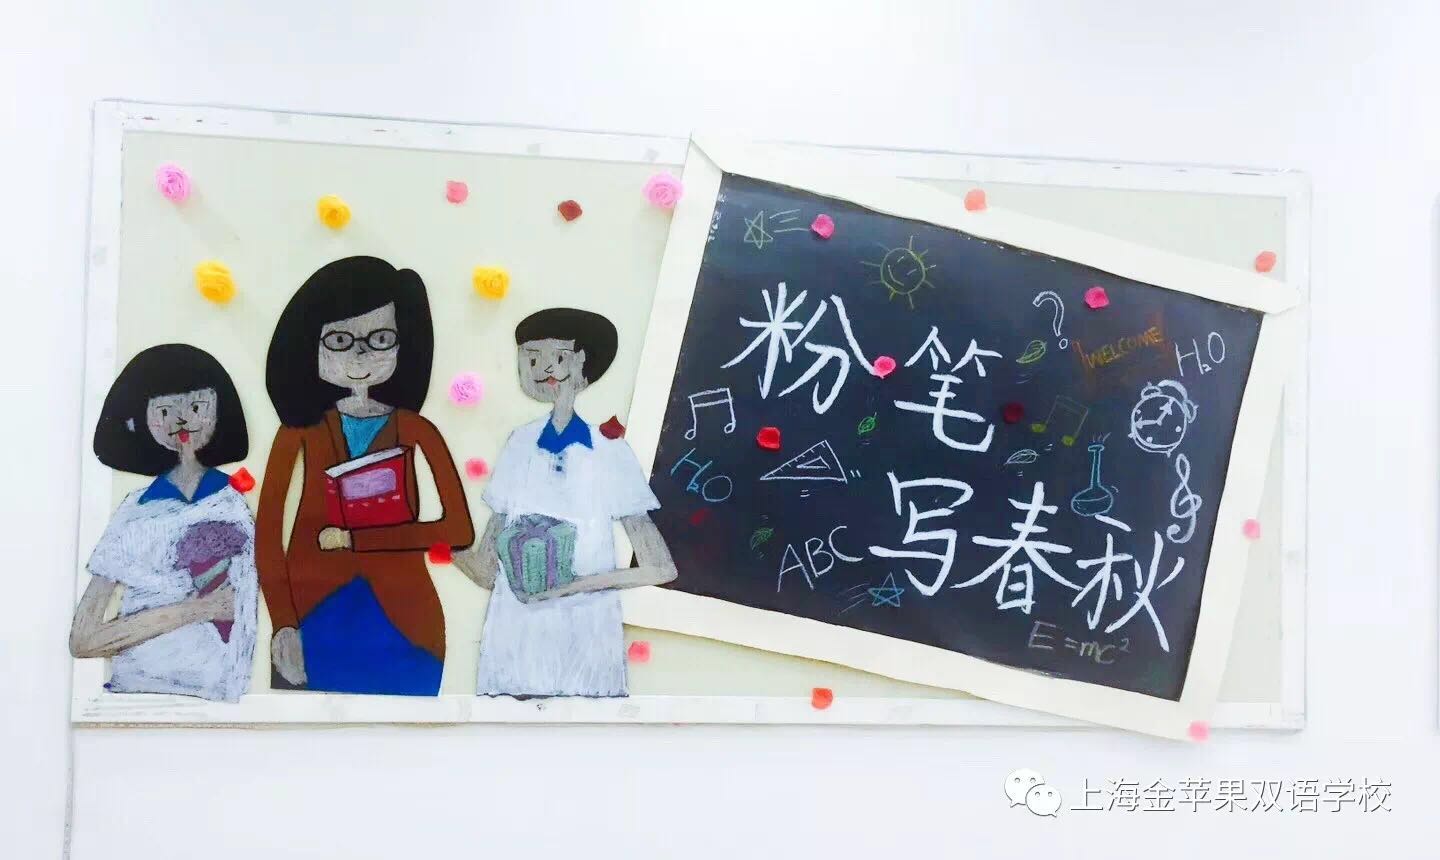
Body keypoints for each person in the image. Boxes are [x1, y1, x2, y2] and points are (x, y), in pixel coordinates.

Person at [257, 256, 473, 696]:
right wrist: (283, 623)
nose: (361, 354)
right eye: (340, 340)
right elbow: (268, 535)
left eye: (380, 339)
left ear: (403, 344)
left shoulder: (417, 429)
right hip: (313, 617)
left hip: (405, 622)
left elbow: (458, 530)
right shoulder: (298, 432)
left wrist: (357, 540)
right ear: (310, 345)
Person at [456, 307, 676, 698]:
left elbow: (659, 566)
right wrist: (435, 546)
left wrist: (573, 586)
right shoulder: (519, 443)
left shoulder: (610, 450)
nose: (545, 369)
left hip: (585, 641)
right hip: (513, 642)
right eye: (532, 359)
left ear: (584, 364)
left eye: (559, 357)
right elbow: (487, 566)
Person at [70, 344, 256, 703]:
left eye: (197, 407)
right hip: (139, 695)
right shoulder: (134, 511)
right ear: (143, 419)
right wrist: (197, 609)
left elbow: (243, 613)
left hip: (222, 697)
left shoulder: (233, 504)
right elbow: (83, 639)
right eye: (165, 410)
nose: (182, 420)